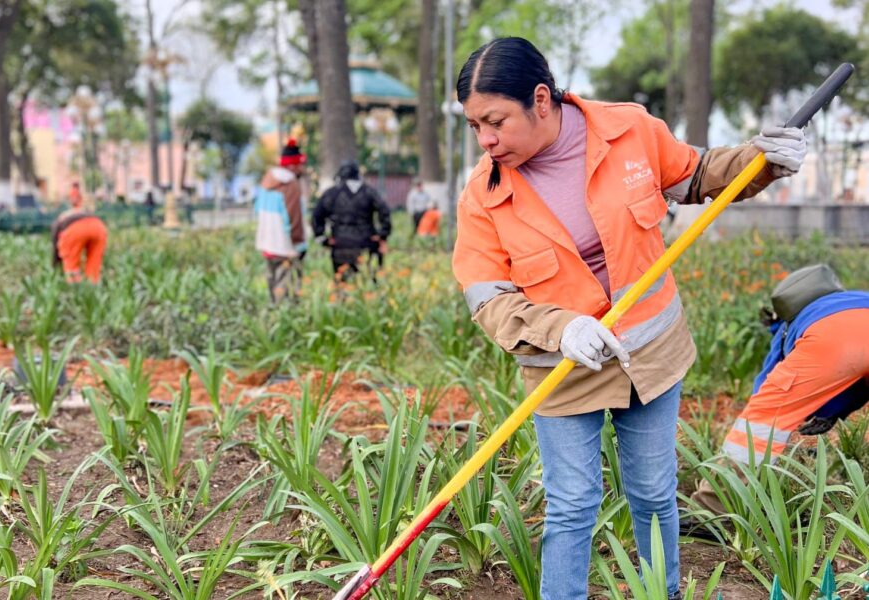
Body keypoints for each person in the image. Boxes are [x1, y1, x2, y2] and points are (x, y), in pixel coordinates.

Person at [450, 37, 807, 600]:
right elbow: (488, 299)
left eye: (495, 122)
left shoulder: (627, 130)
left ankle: (660, 592)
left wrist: (760, 162)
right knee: (571, 504)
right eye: (475, 126)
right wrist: (561, 328)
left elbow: (696, 175)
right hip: (562, 368)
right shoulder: (483, 195)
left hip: (651, 352)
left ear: (540, 100)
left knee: (653, 493)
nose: (485, 140)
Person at [690, 264, 869, 515]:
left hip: (829, 340)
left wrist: (764, 408)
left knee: (760, 423)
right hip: (841, 339)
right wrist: (833, 411)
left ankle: (714, 508)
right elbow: (859, 376)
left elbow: (769, 383)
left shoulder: (792, 324)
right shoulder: (856, 300)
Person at [312, 160, 391, 281]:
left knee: (342, 282)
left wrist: (322, 238)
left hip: (340, 244)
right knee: (367, 282)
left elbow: (317, 215)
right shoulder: (369, 192)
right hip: (366, 243)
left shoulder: (332, 193)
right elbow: (384, 211)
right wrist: (382, 234)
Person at [254, 139, 308, 302]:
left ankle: (273, 311)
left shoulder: (266, 182)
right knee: (287, 288)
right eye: (300, 164)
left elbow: (256, 210)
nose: (302, 168)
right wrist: (298, 243)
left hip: (267, 243)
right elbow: (294, 217)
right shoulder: (290, 185)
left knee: (273, 283)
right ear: (292, 166)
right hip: (286, 246)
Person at [51, 182, 108, 283]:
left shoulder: (62, 218)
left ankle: (75, 288)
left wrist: (56, 265)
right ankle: (93, 287)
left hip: (74, 229)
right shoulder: (83, 209)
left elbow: (56, 246)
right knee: (93, 268)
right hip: (98, 227)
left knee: (71, 268)